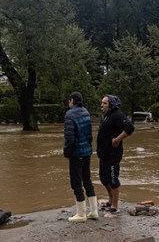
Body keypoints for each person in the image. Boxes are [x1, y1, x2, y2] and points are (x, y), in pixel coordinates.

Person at [96, 94, 135, 216]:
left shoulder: (117, 115)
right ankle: (110, 199)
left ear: (111, 105)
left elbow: (130, 127)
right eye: (102, 103)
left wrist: (118, 139)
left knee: (113, 179)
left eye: (105, 103)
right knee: (104, 178)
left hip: (113, 154)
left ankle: (115, 205)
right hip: (104, 154)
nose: (102, 105)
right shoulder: (106, 116)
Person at [63, 91, 98, 222]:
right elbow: (89, 134)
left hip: (76, 153)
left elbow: (69, 138)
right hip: (87, 152)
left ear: (72, 100)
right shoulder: (86, 112)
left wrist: (67, 153)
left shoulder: (70, 115)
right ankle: (94, 211)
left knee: (76, 182)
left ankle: (81, 214)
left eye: (69, 101)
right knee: (87, 180)